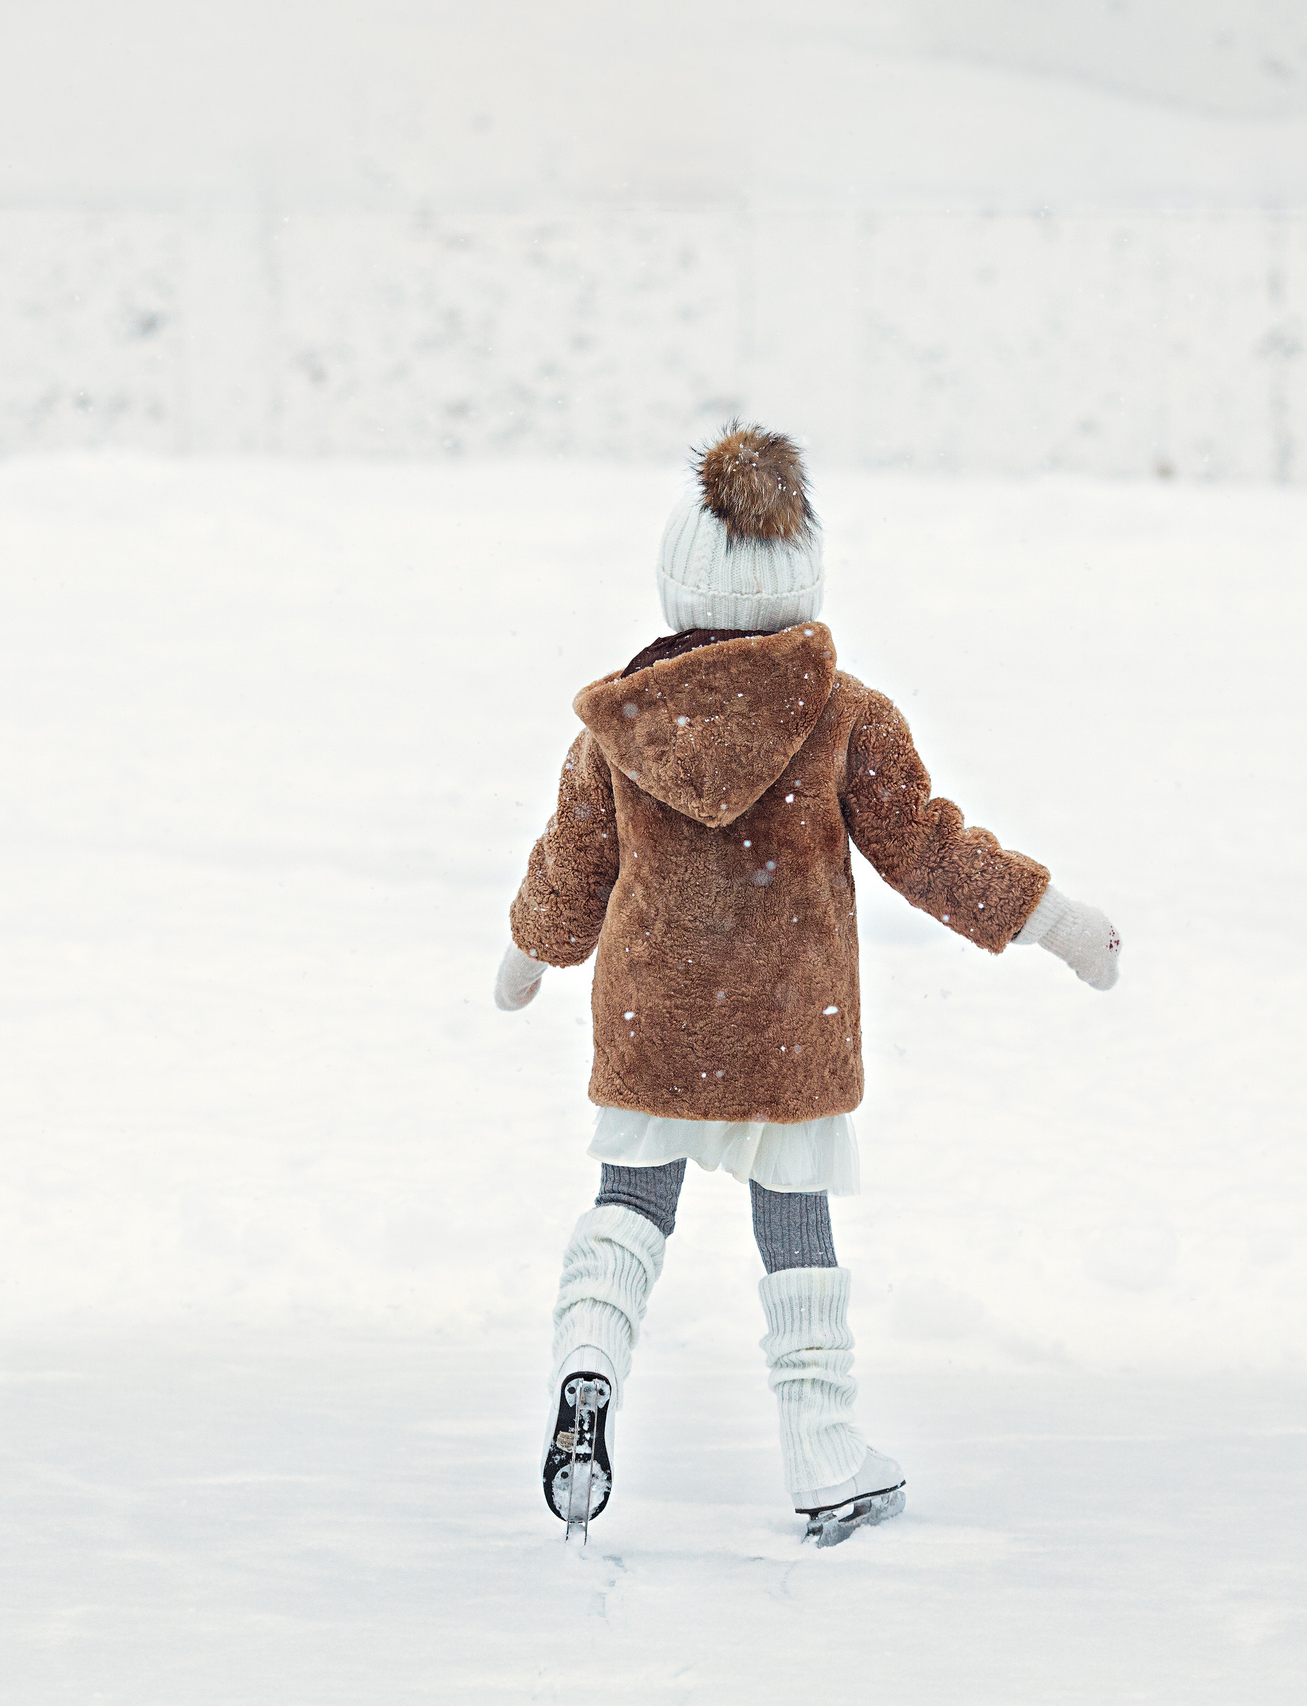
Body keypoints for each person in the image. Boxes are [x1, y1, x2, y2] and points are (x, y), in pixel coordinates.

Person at [493, 424, 1120, 1546]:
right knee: (795, 1223)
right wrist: (1052, 919)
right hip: (790, 1026)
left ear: (677, 580)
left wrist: (529, 953)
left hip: (654, 1014)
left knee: (630, 1204)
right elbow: (928, 850)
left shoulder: (622, 726)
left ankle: (589, 1359)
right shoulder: (844, 716)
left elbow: (572, 861)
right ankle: (824, 1454)